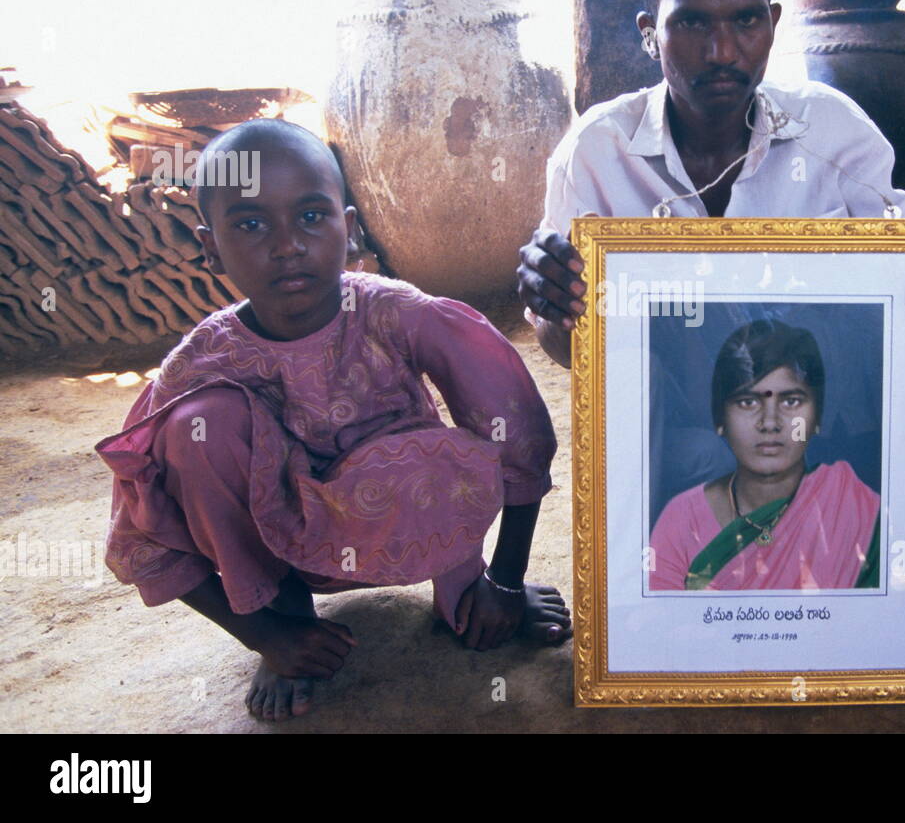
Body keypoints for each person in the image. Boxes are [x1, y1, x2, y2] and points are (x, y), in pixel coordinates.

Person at [95, 119, 572, 722]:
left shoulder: (397, 313)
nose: (287, 244)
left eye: (312, 217)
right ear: (210, 247)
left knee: (427, 448)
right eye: (250, 224)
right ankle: (285, 616)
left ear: (348, 231)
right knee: (198, 428)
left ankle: (465, 588)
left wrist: (505, 578)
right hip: (283, 552)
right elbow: (141, 521)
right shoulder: (200, 363)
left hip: (413, 518)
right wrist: (259, 632)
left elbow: (517, 426)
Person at [517, 0, 905, 369]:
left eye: (745, 20)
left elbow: (899, 281)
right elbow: (565, 348)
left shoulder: (835, 133)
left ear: (773, 22)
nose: (722, 51)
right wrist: (553, 304)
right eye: (692, 21)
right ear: (650, 34)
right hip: (662, 433)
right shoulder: (595, 154)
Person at [649, 319, 880, 591]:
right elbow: (662, 626)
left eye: (790, 401)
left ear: (817, 418)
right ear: (720, 419)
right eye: (748, 402)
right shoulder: (682, 521)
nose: (770, 423)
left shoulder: (855, 510)